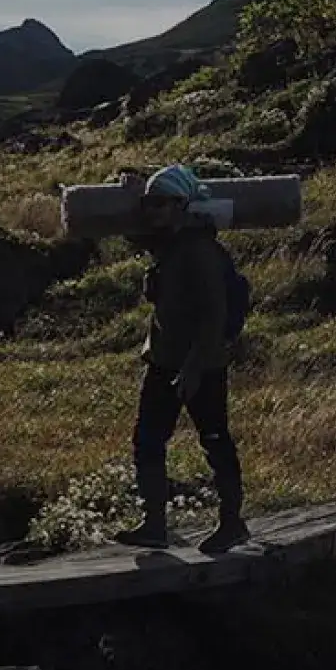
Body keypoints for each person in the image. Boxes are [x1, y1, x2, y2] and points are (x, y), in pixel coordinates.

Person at [114, 165, 248, 553]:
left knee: (215, 440)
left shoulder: (200, 250)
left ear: (180, 205)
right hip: (163, 361)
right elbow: (134, 234)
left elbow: (213, 313)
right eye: (148, 204)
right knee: (148, 441)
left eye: (159, 203)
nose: (151, 211)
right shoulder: (170, 243)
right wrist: (134, 192)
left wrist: (193, 368)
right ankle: (154, 524)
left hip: (199, 366)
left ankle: (232, 522)